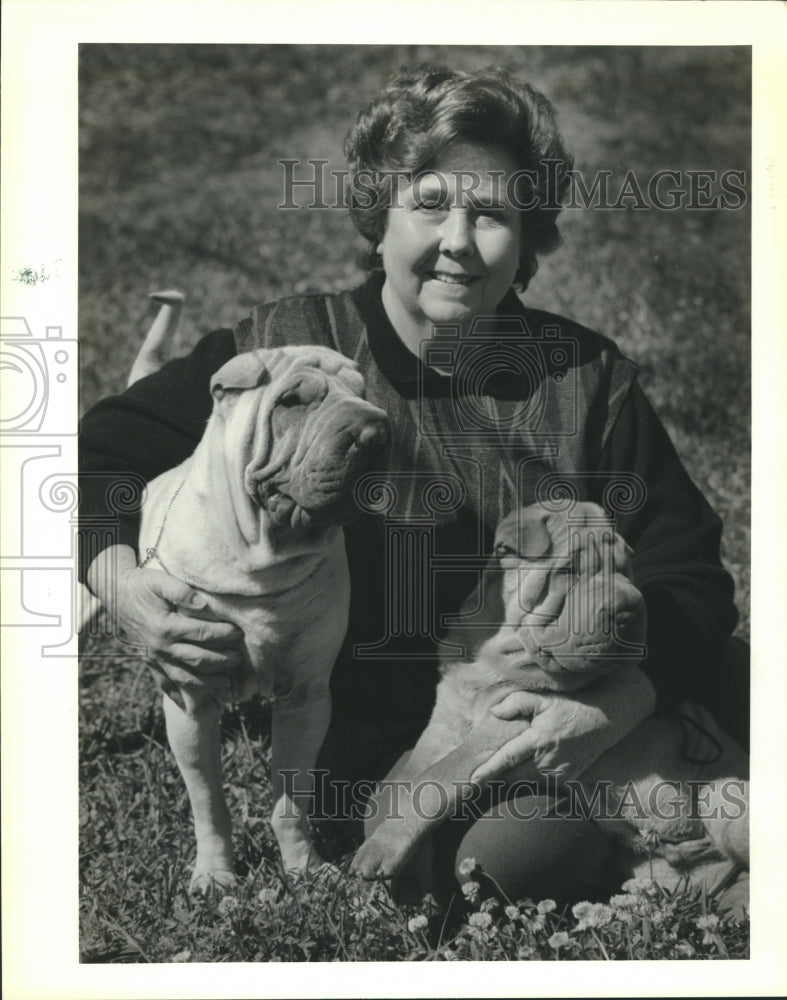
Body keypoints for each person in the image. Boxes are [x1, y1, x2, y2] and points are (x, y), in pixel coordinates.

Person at [79, 64, 747, 906]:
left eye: (493, 213)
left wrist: (616, 705)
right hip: (388, 750)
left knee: (746, 679)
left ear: (529, 235)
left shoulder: (585, 377)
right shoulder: (286, 351)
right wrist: (125, 589)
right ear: (380, 218)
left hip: (568, 706)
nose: (459, 241)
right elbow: (96, 456)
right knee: (511, 860)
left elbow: (686, 571)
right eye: (429, 203)